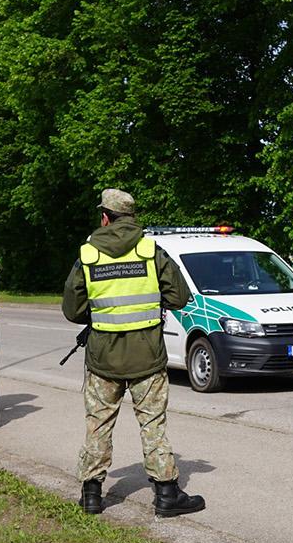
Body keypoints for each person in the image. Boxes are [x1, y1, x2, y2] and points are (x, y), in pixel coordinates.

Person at [62, 188, 204, 518]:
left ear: (105, 217)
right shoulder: (151, 251)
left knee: (98, 425)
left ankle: (91, 495)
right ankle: (166, 495)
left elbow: (72, 309)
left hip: (103, 359)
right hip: (147, 358)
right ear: (131, 217)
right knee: (153, 425)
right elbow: (179, 297)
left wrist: (100, 313)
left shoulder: (87, 255)